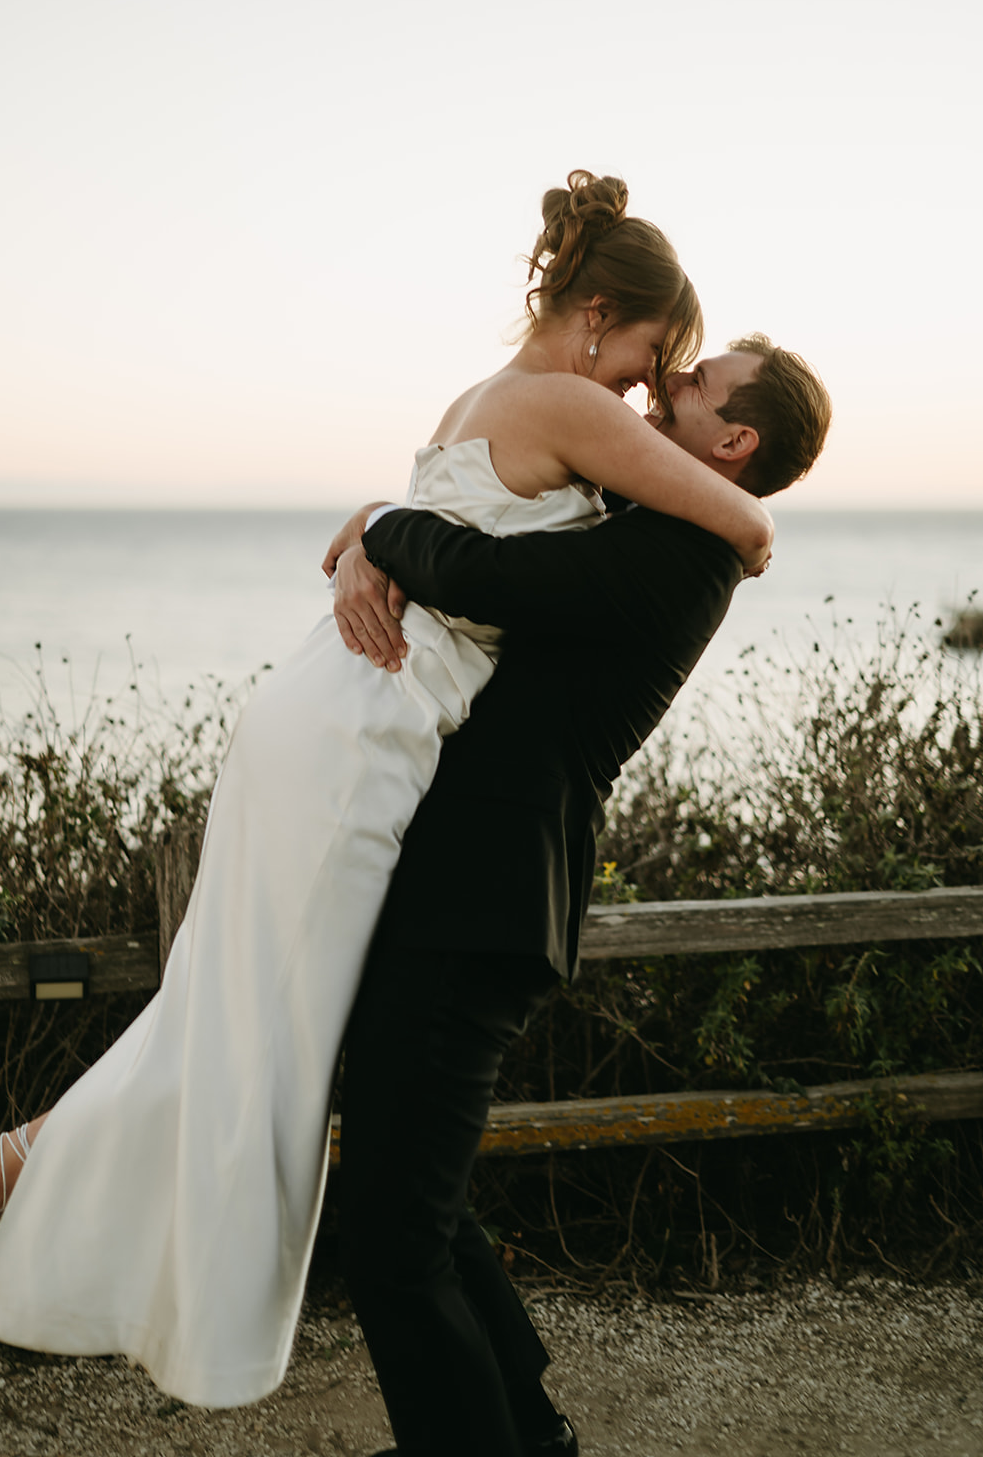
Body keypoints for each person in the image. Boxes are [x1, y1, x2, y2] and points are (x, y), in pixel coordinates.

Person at [0, 173, 773, 1409]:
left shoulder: (490, 397)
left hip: (327, 708)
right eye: (655, 359)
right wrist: (759, 533)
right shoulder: (563, 399)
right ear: (600, 312)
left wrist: (382, 519)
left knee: (237, 1018)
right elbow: (734, 522)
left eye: (672, 377)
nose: (645, 391)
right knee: (255, 1036)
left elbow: (462, 527)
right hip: (358, 732)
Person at [327, 334, 832, 1456]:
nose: (666, 385)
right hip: (461, 892)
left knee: (390, 1237)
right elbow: (493, 512)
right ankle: (527, 1433)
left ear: (734, 440)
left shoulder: (687, 554)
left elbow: (487, 575)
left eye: (696, 384)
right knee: (426, 1204)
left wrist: (376, 527)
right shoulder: (661, 524)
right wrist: (382, 518)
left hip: (485, 900)